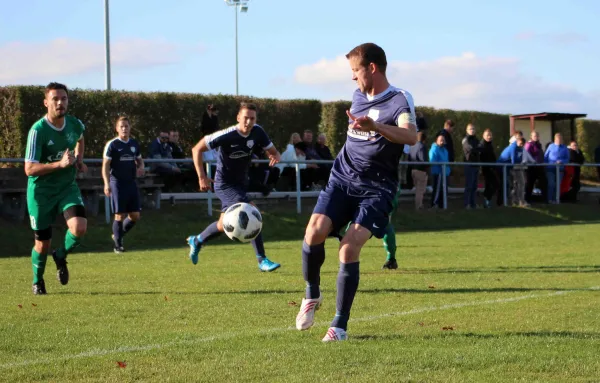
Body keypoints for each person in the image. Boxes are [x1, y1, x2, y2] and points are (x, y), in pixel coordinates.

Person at [295, 43, 417, 342]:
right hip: (342, 179)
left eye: (355, 71)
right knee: (313, 232)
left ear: (372, 68)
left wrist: (376, 126)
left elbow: (411, 136)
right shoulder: (358, 95)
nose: (352, 78)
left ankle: (339, 326)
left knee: (348, 247)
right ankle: (312, 294)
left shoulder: (400, 99)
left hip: (376, 188)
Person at [185, 103, 282, 272]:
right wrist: (201, 176)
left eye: (252, 118)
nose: (249, 122)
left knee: (223, 225)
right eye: (245, 118)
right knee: (251, 211)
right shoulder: (227, 135)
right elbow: (196, 149)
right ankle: (262, 260)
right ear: (238, 117)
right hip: (223, 184)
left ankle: (198, 240)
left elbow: (273, 151)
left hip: (240, 184)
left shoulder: (258, 132)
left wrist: (275, 155)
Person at [24, 82, 88, 295]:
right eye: (55, 99)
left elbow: (80, 138)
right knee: (42, 244)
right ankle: (37, 280)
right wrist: (59, 164)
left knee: (79, 227)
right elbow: (29, 168)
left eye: (64, 98)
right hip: (41, 193)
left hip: (67, 187)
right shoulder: (38, 131)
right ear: (46, 103)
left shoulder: (74, 123)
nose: (60, 103)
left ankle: (60, 255)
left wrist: (79, 160)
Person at [102, 116, 145, 253]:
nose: (124, 129)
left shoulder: (133, 144)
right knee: (119, 214)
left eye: (126, 126)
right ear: (117, 129)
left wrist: (141, 167)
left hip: (131, 182)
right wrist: (106, 183)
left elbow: (140, 161)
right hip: (117, 183)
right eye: (121, 126)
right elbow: (105, 166)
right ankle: (118, 246)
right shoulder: (112, 145)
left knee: (135, 215)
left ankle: (118, 235)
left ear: (130, 128)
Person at [544, 133, 569, 204]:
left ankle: (556, 199)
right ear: (555, 139)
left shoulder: (564, 148)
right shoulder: (551, 146)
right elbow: (545, 156)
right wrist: (545, 166)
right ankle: (549, 199)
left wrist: (562, 161)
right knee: (551, 184)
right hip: (550, 168)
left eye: (561, 139)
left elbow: (567, 158)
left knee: (558, 184)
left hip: (560, 169)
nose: (560, 140)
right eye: (558, 139)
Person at [429, 133, 450, 209]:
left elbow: (446, 161)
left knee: (443, 189)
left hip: (445, 173)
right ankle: (434, 204)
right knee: (437, 189)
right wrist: (441, 166)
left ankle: (442, 205)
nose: (442, 142)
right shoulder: (434, 149)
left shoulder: (445, 150)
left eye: (443, 140)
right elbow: (432, 161)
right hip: (438, 172)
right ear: (437, 141)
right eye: (440, 140)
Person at [409, 131, 429, 210]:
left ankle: (418, 205)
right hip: (420, 170)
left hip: (413, 169)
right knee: (420, 190)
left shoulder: (412, 146)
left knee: (417, 188)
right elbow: (423, 159)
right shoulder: (422, 147)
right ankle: (419, 206)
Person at [462, 123, 480, 209]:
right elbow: (471, 149)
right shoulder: (465, 140)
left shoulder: (476, 139)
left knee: (474, 186)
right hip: (469, 164)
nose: (472, 130)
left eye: (473, 129)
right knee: (469, 185)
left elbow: (480, 148)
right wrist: (478, 149)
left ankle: (473, 203)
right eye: (470, 129)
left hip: (476, 164)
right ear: (467, 130)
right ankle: (467, 203)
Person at [479, 129, 498, 208]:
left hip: (491, 168)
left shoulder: (490, 145)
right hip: (486, 169)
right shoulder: (482, 145)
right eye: (487, 135)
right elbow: (482, 157)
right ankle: (486, 200)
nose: (489, 137)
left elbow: (492, 156)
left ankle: (487, 201)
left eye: (490, 135)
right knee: (493, 184)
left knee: (493, 185)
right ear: (483, 136)